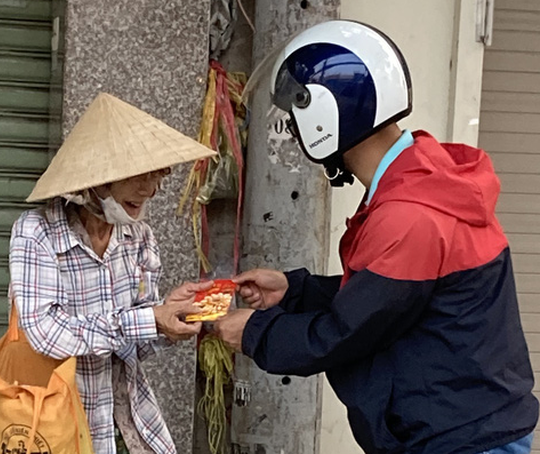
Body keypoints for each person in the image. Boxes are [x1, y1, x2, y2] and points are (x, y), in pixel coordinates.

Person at [213, 20, 539, 454]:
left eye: (295, 117)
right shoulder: (424, 179)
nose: (293, 130)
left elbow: (348, 331)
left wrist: (255, 332)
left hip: (459, 440)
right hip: (472, 425)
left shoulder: (410, 214)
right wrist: (296, 290)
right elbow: (393, 300)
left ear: (323, 112)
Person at [9, 93, 216, 454]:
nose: (150, 189)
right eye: (138, 176)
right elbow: (45, 334)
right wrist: (148, 318)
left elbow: (136, 342)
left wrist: (170, 317)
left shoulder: (139, 237)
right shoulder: (36, 232)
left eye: (156, 176)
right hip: (57, 426)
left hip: (130, 424)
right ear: (95, 180)